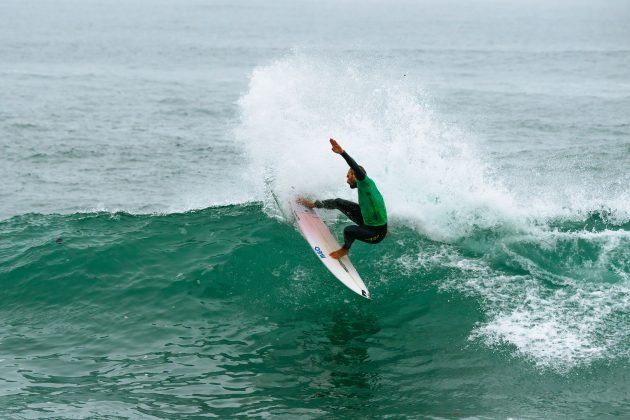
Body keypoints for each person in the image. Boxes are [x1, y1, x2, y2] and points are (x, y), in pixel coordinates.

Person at [298, 138, 387, 259]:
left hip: (376, 233)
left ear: (355, 175)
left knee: (349, 230)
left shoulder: (364, 182)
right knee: (338, 202)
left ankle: (345, 250)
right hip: (367, 221)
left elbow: (355, 167)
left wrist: (342, 153)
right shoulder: (365, 186)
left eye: (348, 176)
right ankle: (312, 204)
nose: (347, 179)